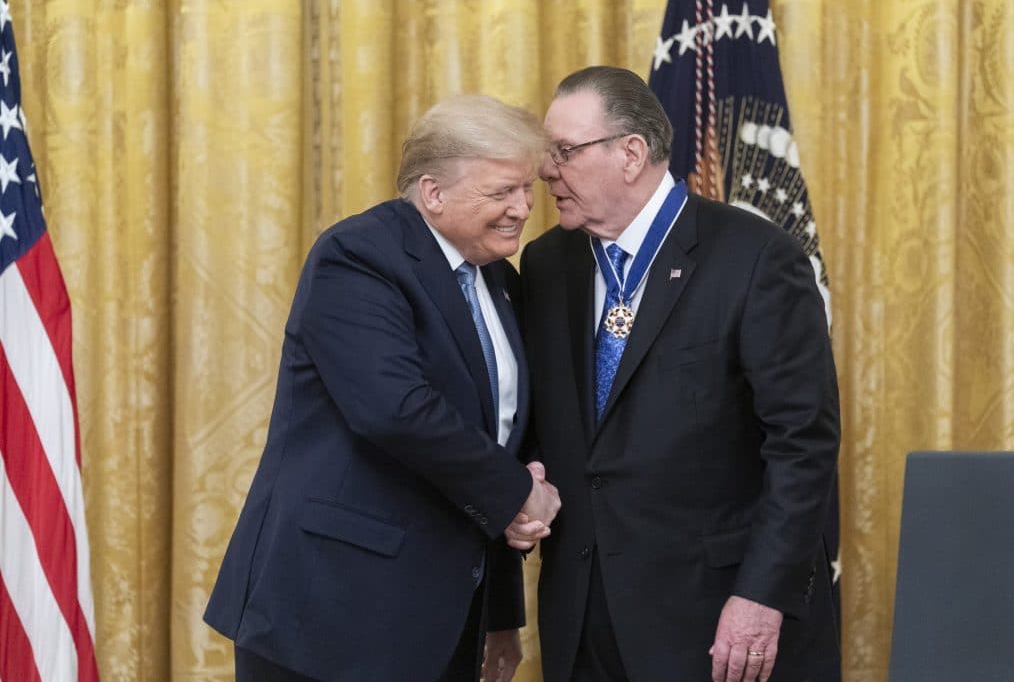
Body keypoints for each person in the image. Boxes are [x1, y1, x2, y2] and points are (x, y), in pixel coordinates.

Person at [204, 94, 560, 682]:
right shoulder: (358, 257)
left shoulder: (500, 280)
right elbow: (396, 410)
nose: (523, 209)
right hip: (332, 611)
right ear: (433, 192)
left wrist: (501, 615)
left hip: (441, 620)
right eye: (501, 192)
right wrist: (518, 493)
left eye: (528, 190)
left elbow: (497, 439)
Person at [520, 65, 841, 681]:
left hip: (717, 619)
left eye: (564, 151)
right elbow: (554, 426)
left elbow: (804, 444)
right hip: (584, 621)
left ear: (631, 154)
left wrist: (761, 597)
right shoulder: (546, 264)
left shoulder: (755, 257)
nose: (545, 171)